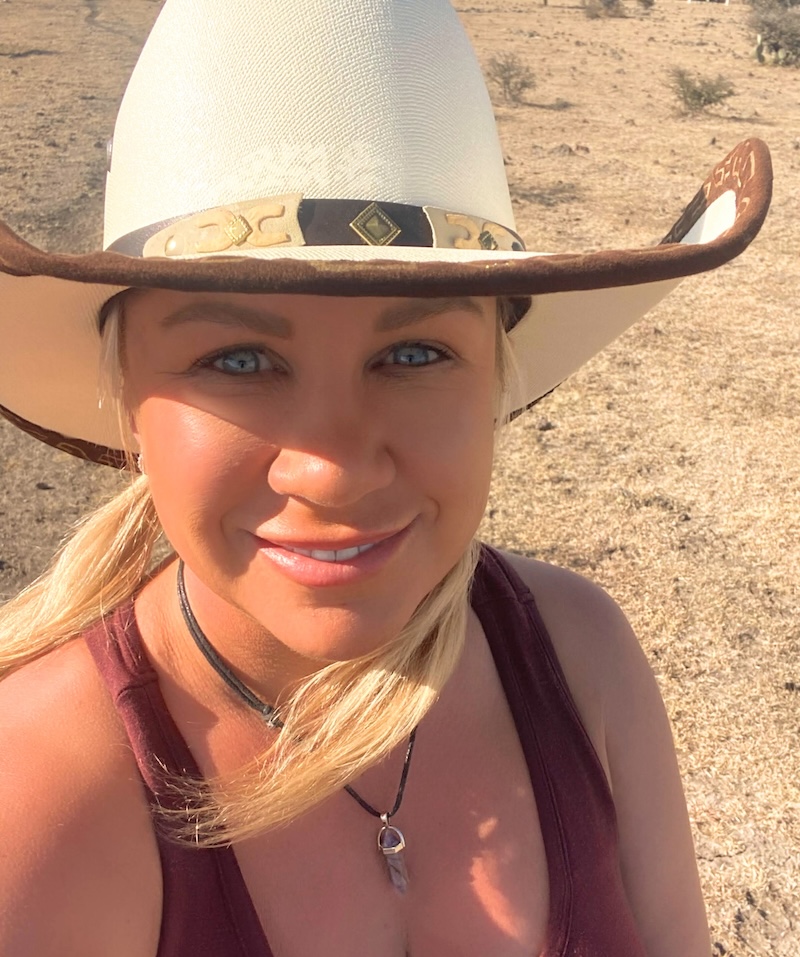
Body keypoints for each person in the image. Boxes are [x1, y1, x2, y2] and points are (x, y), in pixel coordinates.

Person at [0, 1, 772, 955]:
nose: (334, 470)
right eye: (238, 360)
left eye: (412, 353)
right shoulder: (37, 800)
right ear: (129, 399)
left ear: (494, 378)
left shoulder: (585, 660)